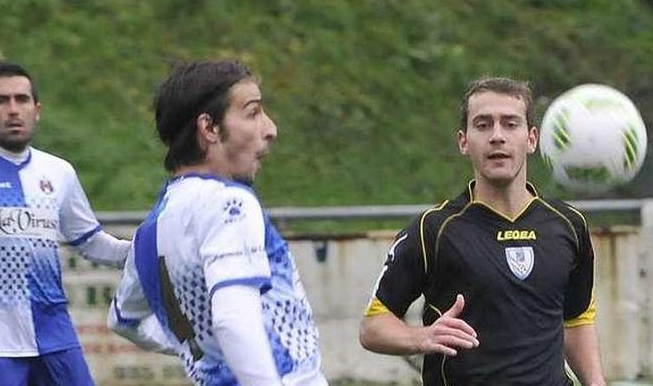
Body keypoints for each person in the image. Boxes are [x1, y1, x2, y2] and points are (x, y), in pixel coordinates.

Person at [359, 77, 607, 386]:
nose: (497, 136)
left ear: (531, 139)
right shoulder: (434, 230)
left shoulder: (568, 225)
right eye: (483, 125)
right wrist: (421, 337)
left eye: (510, 124)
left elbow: (576, 319)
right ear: (464, 141)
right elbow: (373, 327)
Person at [108, 60, 327, 386]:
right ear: (209, 128)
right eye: (252, 113)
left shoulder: (150, 232)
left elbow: (123, 320)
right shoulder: (229, 203)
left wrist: (195, 345)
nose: (271, 129)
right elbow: (233, 319)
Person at [0, 62, 131, 385]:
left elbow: (90, 241)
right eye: (2, 100)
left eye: (22, 100)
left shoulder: (59, 172)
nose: (13, 110)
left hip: (55, 334)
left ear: (36, 109)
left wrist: (142, 251)